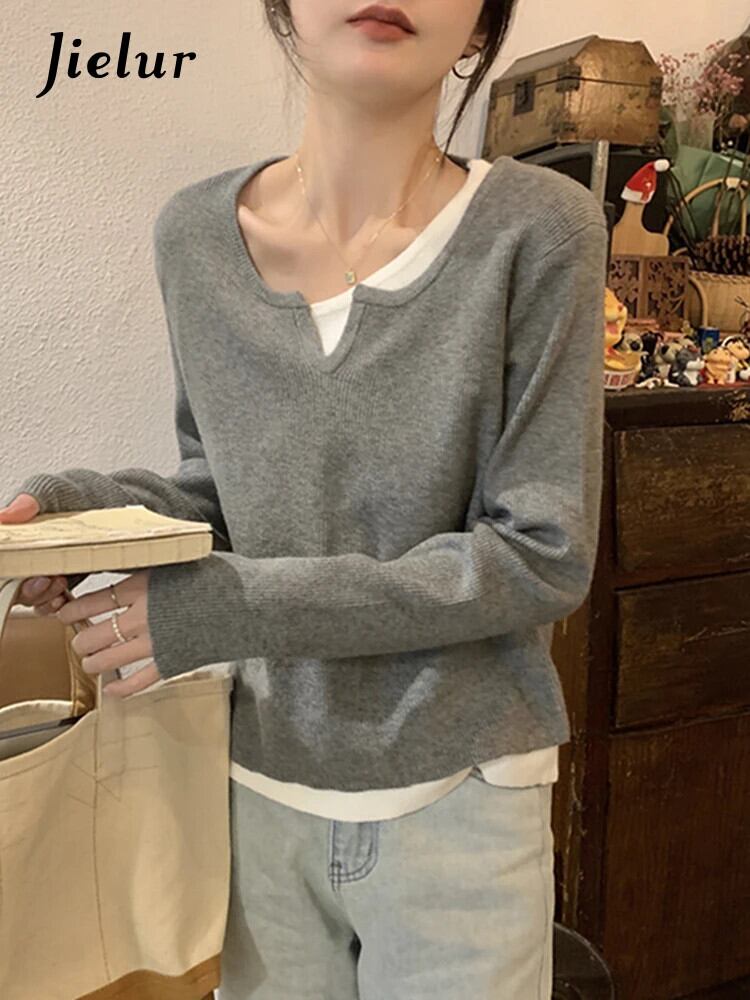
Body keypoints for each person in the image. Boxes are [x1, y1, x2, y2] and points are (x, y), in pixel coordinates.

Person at [1, 1, 610, 997]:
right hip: (252, 795)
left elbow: (538, 556)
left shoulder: (539, 228)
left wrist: (230, 608)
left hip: (463, 801)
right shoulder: (194, 237)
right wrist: (90, 512)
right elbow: (226, 496)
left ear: (480, 25)